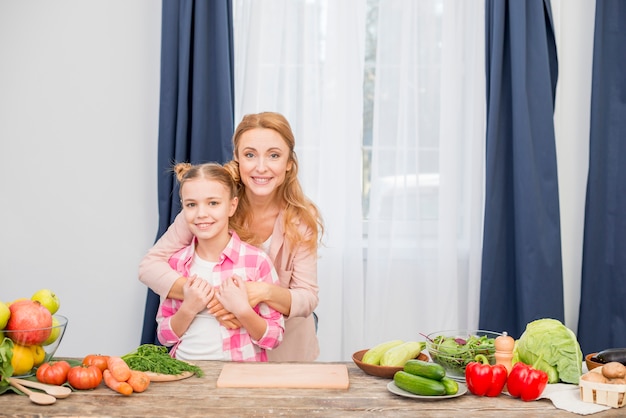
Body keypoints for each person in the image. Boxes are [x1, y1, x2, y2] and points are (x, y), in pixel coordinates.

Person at [140, 112, 324, 362]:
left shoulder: (301, 219)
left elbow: (307, 297)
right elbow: (150, 267)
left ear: (289, 162)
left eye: (274, 155)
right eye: (250, 155)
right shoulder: (210, 208)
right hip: (223, 355)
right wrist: (212, 297)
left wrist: (260, 293)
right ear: (237, 158)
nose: (261, 167)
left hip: (285, 352)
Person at [156, 162, 284, 361]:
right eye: (191, 204)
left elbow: (275, 337)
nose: (201, 214)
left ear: (232, 206)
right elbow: (164, 336)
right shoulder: (176, 264)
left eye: (213, 203)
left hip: (240, 379)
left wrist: (243, 311)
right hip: (185, 375)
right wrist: (189, 307)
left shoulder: (257, 262)